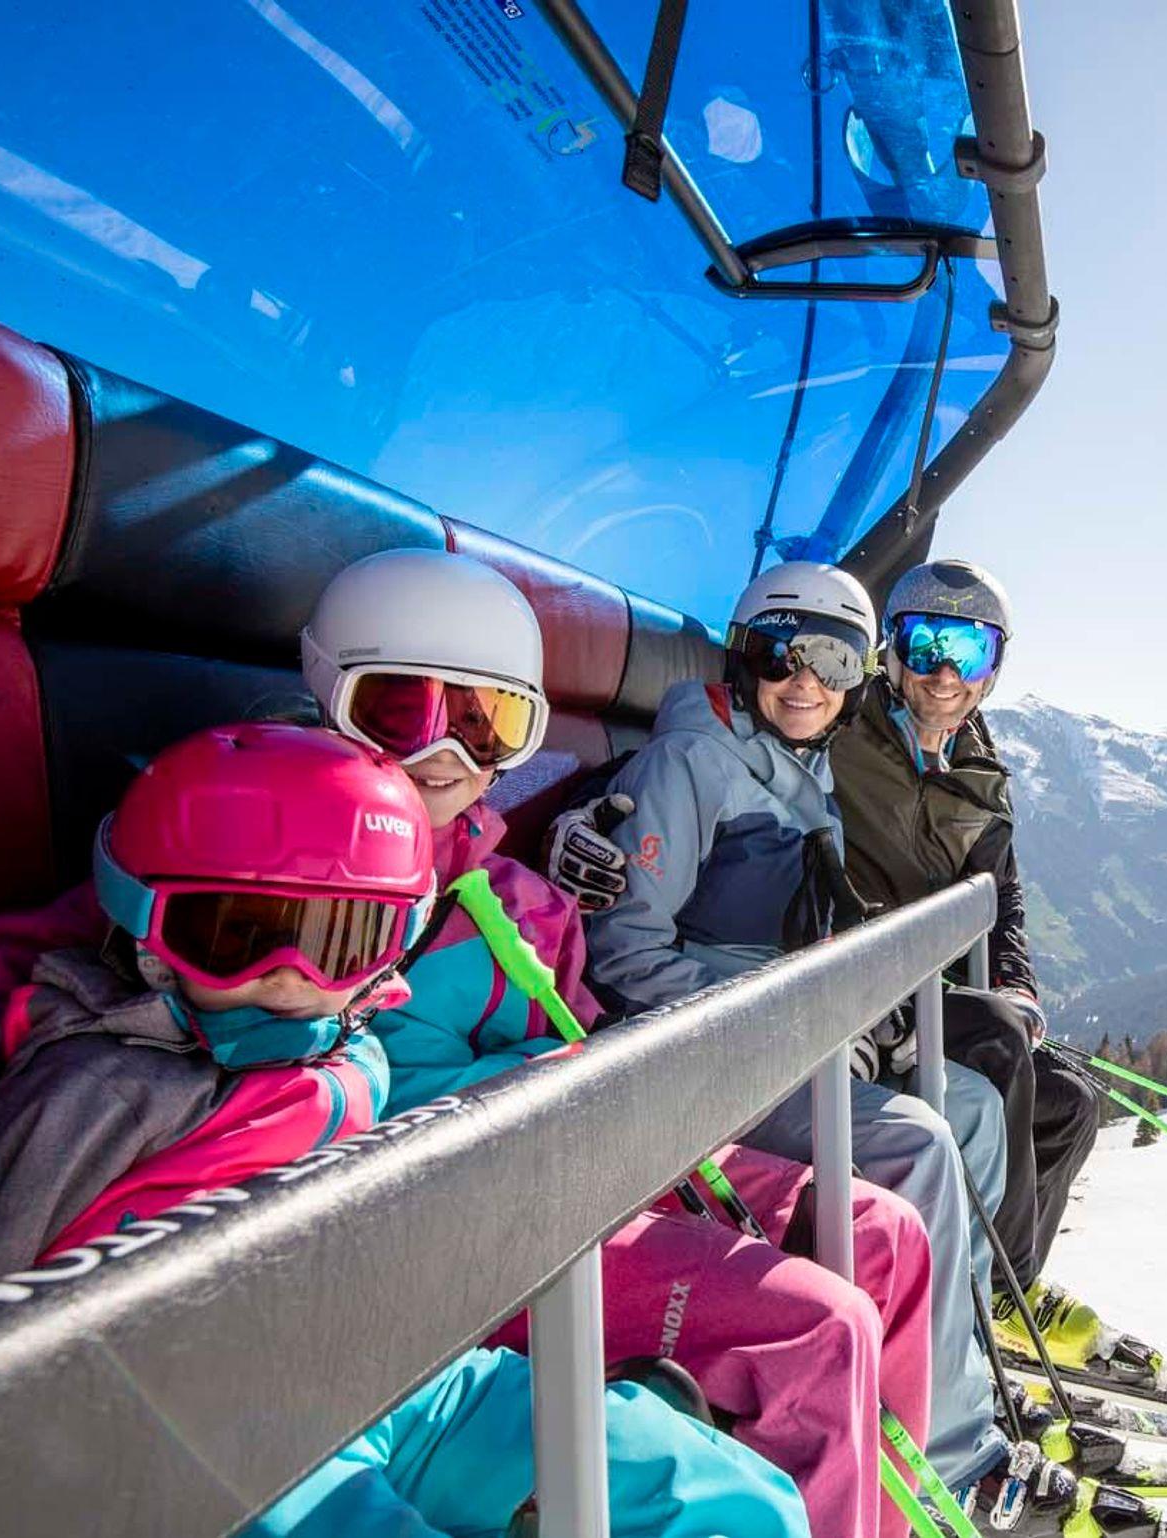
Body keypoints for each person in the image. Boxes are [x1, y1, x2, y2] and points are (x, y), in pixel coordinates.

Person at [0, 722, 807, 1538]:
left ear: (393, 947)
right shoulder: (105, 1087)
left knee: (735, 1500)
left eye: (340, 941)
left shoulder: (354, 1040)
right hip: (210, 1413)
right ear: (144, 929)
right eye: (234, 936)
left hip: (395, 1374)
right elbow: (16, 1297)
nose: (289, 979)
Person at [299, 548, 933, 1538]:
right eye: (401, 711)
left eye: (486, 723)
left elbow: (589, 1012)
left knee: (885, 1233)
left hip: (580, 1156)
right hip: (472, 1211)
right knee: (819, 1321)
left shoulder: (520, 897)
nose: (446, 750)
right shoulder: (293, 874)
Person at [578, 562, 1087, 1530]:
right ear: (745, 654)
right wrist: (785, 1017)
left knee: (976, 1107)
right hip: (708, 1061)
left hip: (788, 1034)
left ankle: (956, 1369)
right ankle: (952, 1455)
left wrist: (848, 1007)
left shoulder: (798, 759)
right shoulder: (691, 763)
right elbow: (624, 952)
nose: (807, 680)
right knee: (922, 1141)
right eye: (784, 654)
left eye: (833, 660)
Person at [826, 559, 1106, 1367]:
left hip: (929, 986)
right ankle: (995, 1291)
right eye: (925, 644)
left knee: (1071, 1101)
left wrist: (1016, 983)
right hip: (863, 989)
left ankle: (1009, 1286)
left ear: (993, 666)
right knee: (995, 1042)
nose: (944, 673)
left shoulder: (980, 774)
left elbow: (1000, 899)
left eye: (968, 650)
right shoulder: (845, 729)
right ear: (890, 649)